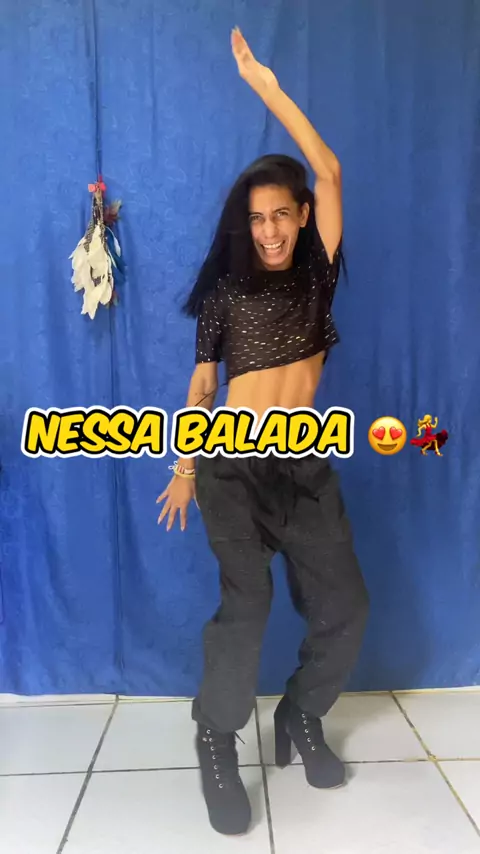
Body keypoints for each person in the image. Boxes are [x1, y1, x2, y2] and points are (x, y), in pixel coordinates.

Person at [157, 28, 369, 837]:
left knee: (345, 605)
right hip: (232, 470)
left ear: (304, 218)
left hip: (305, 468)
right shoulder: (225, 297)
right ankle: (217, 739)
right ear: (244, 227)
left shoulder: (317, 276)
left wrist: (268, 90)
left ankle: (301, 716)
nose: (271, 230)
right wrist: (183, 468)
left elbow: (331, 169)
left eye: (283, 215)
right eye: (257, 219)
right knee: (247, 606)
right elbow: (202, 388)